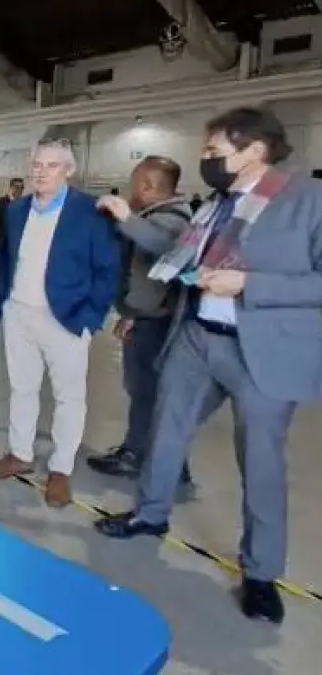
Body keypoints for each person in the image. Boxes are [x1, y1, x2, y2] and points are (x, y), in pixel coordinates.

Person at [95, 107, 322, 625]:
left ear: (256, 151)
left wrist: (250, 285)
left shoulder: (308, 201)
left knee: (261, 462)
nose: (206, 161)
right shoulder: (216, 206)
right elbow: (179, 258)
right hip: (197, 337)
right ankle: (150, 515)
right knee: (164, 430)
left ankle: (261, 573)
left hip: (261, 350)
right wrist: (128, 220)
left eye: (215, 152)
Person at [0, 139, 120, 507]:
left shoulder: (90, 213)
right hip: (19, 313)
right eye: (37, 165)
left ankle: (61, 468)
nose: (41, 172)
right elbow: (5, 256)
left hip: (67, 318)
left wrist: (91, 319)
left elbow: (108, 271)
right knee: (22, 388)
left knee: (69, 397)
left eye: (52, 165)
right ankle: (20, 454)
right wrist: (1, 300)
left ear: (69, 171)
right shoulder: (16, 211)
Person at [88, 157, 193, 480]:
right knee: (147, 391)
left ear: (147, 185)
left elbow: (162, 247)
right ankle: (170, 462)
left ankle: (137, 455)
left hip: (159, 324)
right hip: (147, 317)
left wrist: (124, 215)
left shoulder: (173, 220)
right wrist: (131, 313)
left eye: (136, 183)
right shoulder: (154, 217)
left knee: (147, 391)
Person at [0, 178, 25, 255]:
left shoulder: (24, 206)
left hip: (17, 247)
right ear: (11, 187)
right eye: (16, 187)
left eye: (21, 188)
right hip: (0, 246)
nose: (19, 190)